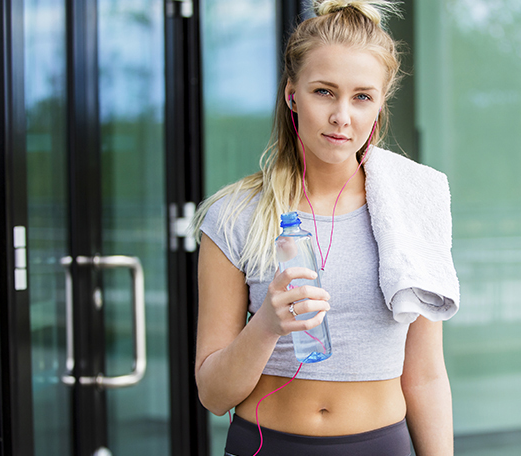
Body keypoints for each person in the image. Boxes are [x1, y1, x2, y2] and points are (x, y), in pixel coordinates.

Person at [192, 1, 459, 455]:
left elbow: (427, 374)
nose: (342, 117)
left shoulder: (415, 207)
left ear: (379, 102)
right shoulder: (234, 215)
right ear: (292, 93)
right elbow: (213, 396)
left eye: (361, 96)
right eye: (323, 92)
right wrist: (267, 327)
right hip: (264, 445)